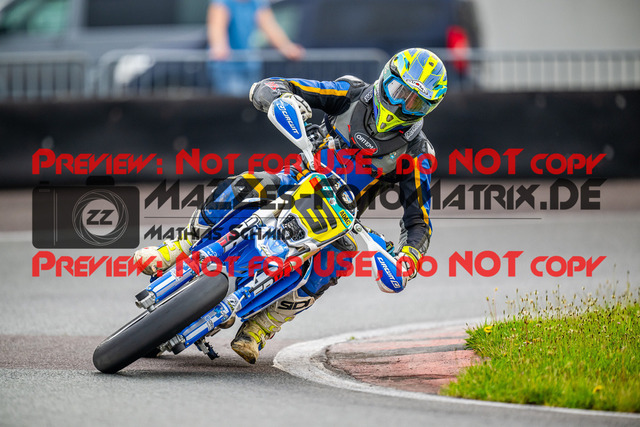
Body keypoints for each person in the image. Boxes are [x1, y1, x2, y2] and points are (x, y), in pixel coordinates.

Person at [135, 48, 448, 364]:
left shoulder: (418, 152)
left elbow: (418, 221)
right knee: (243, 185)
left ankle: (263, 324)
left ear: (429, 108)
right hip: (298, 177)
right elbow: (273, 85)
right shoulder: (351, 92)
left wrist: (408, 259)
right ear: (385, 79)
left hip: (338, 217)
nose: (401, 105)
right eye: (399, 92)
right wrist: (280, 97)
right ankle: (180, 246)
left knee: (340, 257)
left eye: (415, 103)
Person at [207, 0, 304, 96]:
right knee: (233, 101)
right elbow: (217, 27)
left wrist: (287, 47)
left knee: (252, 100)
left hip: (249, 65)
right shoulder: (222, 3)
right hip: (227, 67)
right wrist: (219, 47)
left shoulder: (257, 3)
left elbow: (270, 26)